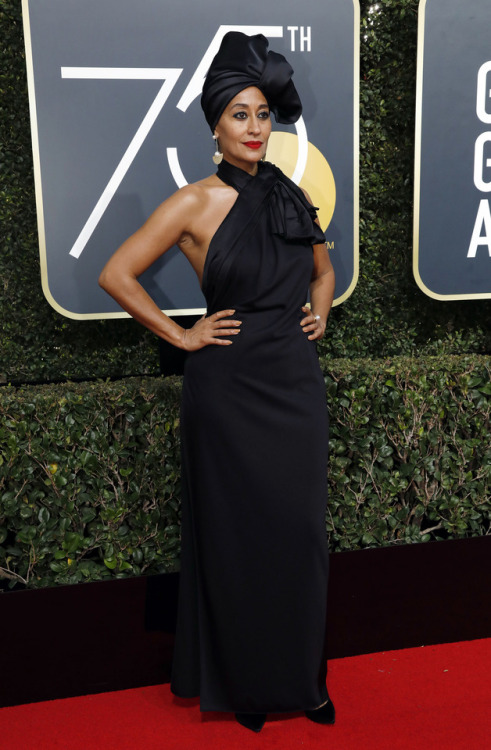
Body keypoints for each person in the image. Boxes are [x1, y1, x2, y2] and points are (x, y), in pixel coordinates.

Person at [99, 31, 335, 733]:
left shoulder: (290, 194)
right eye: (239, 114)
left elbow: (322, 274)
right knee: (237, 539)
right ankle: (244, 686)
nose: (254, 127)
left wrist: (318, 315)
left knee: (298, 535)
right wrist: (181, 335)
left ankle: (304, 679)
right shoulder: (194, 203)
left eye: (263, 113)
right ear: (214, 124)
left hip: (292, 381)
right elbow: (116, 273)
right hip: (226, 388)